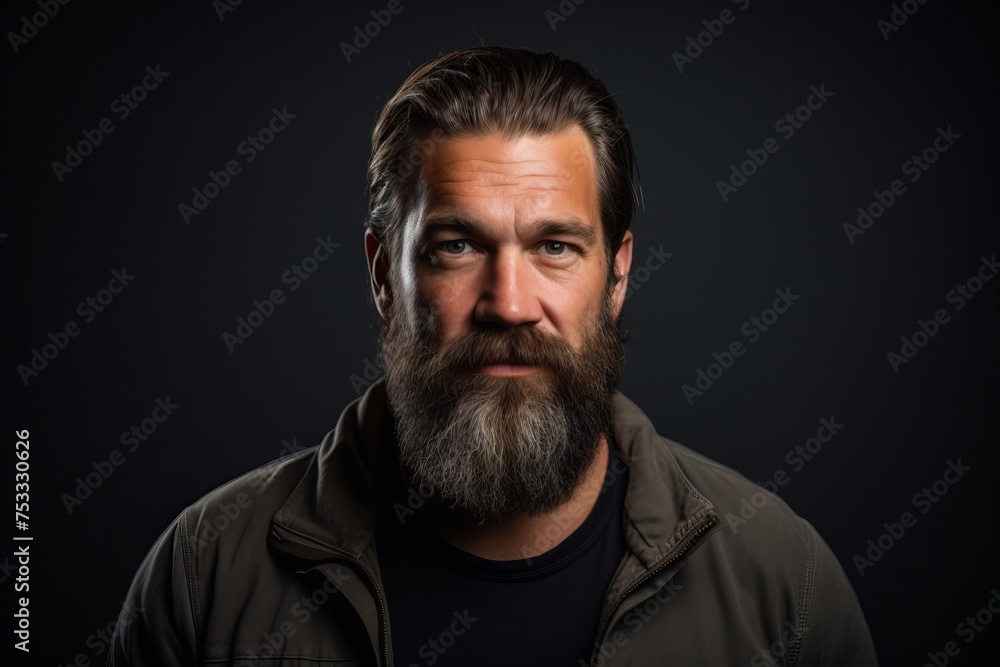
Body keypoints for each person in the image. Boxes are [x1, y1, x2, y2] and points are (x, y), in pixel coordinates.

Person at [110, 46, 878, 666]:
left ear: (616, 276)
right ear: (384, 275)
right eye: (456, 245)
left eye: (554, 246)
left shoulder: (784, 587)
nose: (508, 302)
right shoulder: (203, 578)